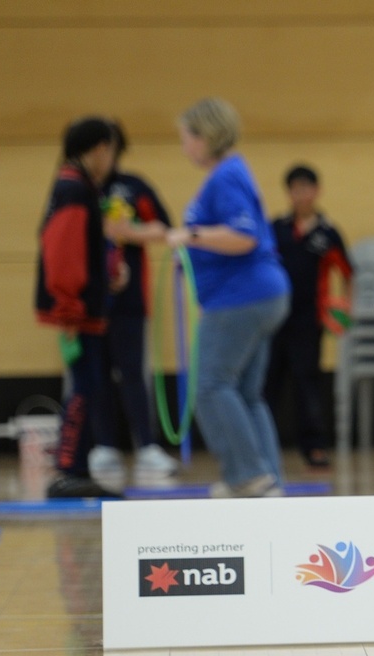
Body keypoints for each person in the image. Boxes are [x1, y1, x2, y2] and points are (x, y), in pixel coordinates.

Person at [163, 98, 291, 498]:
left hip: (240, 297)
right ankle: (267, 478)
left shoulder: (225, 177)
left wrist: (192, 236)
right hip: (261, 294)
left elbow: (243, 235)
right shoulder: (231, 173)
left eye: (187, 138)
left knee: (212, 386)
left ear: (204, 137)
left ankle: (247, 476)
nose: (184, 148)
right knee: (246, 394)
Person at [34, 116, 122, 498]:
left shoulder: (78, 185)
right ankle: (68, 468)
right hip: (78, 311)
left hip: (83, 308)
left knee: (90, 385)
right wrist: (69, 308)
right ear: (100, 148)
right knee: (83, 389)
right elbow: (63, 252)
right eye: (112, 150)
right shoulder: (74, 188)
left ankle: (78, 468)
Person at [94, 119, 180, 488]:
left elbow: (164, 228)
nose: (101, 155)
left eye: (108, 146)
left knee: (133, 372)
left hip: (128, 300)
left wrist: (128, 232)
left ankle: (146, 445)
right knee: (93, 375)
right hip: (88, 303)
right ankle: (102, 446)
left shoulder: (133, 187)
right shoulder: (76, 190)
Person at [266, 164, 354, 470]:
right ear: (288, 192)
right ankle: (263, 448)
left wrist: (343, 311)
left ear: (317, 191)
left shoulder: (328, 233)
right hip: (272, 320)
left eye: (307, 187)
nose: (301, 194)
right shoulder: (275, 228)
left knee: (307, 384)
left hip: (308, 322)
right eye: (295, 188)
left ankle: (314, 446)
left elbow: (347, 273)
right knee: (268, 384)